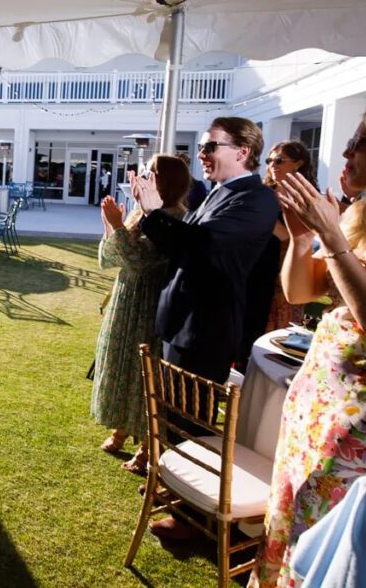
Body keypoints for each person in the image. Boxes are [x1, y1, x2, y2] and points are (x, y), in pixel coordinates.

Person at [249, 106, 366, 587]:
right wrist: (302, 240)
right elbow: (301, 291)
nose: (345, 151)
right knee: (298, 525)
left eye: (360, 142)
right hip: (318, 412)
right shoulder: (365, 217)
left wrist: (330, 232)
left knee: (338, 551)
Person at [131, 117, 278, 541]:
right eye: (201, 145)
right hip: (183, 320)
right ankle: (177, 487)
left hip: (208, 327)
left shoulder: (258, 200)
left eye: (211, 146)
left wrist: (155, 211)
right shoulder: (219, 193)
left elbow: (202, 248)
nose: (202, 154)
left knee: (192, 423)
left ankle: (190, 519)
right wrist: (152, 213)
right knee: (176, 416)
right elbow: (183, 244)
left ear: (243, 151)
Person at [92, 155, 190, 475]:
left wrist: (120, 226)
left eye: (152, 172)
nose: (144, 176)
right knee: (121, 366)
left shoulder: (174, 217)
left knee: (141, 377)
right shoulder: (140, 213)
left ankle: (149, 446)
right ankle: (121, 428)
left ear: (169, 182)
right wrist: (112, 224)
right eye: (145, 170)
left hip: (147, 307)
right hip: (125, 300)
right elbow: (110, 258)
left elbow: (140, 260)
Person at [261, 140, 317, 331]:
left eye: (279, 160)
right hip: (259, 265)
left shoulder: (307, 197)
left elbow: (303, 237)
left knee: (280, 328)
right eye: (269, 160)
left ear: (298, 163)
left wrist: (266, 220)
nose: (272, 165)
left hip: (288, 268)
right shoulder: (263, 193)